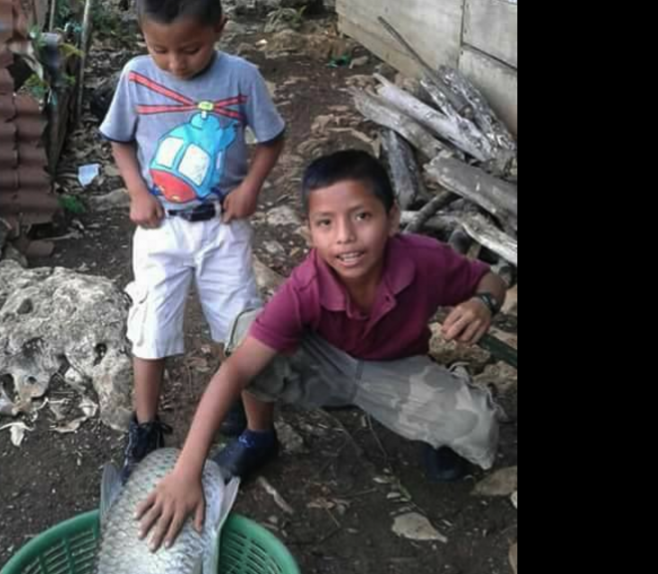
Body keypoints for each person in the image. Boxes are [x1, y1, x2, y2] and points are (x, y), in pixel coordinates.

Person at [135, 149, 507, 550]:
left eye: (361, 216)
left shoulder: (424, 260)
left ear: (392, 218)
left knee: (477, 426)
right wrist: (186, 471)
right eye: (326, 223)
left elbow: (490, 281)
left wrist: (483, 303)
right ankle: (258, 435)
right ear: (310, 232)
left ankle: (436, 428)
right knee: (245, 338)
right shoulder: (305, 287)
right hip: (325, 363)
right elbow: (236, 368)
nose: (345, 236)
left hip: (396, 367)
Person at [99, 0, 286, 476]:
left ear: (220, 29)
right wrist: (137, 191)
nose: (175, 63)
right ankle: (145, 426)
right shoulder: (136, 76)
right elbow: (120, 140)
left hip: (223, 228)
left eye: (190, 49)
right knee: (150, 323)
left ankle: (258, 431)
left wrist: (250, 186)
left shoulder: (241, 77)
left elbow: (272, 139)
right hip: (159, 229)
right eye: (159, 49)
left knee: (240, 326)